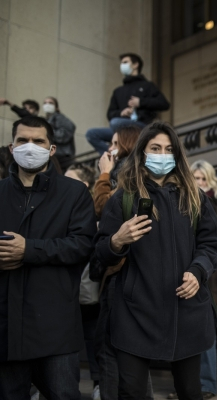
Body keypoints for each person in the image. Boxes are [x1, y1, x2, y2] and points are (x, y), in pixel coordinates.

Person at [94, 121, 217, 399]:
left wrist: (198, 270)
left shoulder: (195, 197)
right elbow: (99, 255)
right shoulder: (121, 199)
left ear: (177, 155)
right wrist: (117, 240)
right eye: (155, 148)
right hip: (134, 314)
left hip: (186, 311)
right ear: (142, 152)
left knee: (190, 391)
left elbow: (212, 244)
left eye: (168, 149)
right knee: (131, 391)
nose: (162, 154)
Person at [0, 116, 97, 399]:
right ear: (11, 146)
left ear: (52, 149)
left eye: (38, 141)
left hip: (55, 330)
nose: (30, 147)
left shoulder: (74, 193)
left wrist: (29, 249)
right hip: (5, 328)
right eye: (22, 140)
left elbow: (82, 245)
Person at [91, 123, 155, 400]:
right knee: (132, 356)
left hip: (122, 272)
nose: (110, 148)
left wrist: (104, 174)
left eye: (115, 143)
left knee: (110, 351)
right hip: (129, 272)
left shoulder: (129, 176)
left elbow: (103, 208)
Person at [187, 160, 217, 400]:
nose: (199, 183)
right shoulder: (180, 201)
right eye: (195, 178)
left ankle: (206, 385)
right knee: (185, 334)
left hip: (208, 277)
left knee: (206, 333)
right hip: (183, 274)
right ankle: (187, 385)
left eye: (203, 179)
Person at [65, 163, 102, 400]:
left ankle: (99, 383)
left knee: (94, 336)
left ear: (85, 184)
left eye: (71, 179)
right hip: (63, 287)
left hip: (89, 286)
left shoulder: (94, 209)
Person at [86, 53, 170, 155]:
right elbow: (110, 114)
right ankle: (113, 155)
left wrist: (141, 102)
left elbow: (164, 104)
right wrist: (122, 113)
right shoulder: (118, 91)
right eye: (121, 63)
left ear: (135, 65)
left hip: (141, 127)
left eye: (125, 62)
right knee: (92, 134)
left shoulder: (148, 86)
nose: (122, 65)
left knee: (115, 123)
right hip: (122, 128)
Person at [43, 96, 76, 171]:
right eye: (45, 103)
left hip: (62, 155)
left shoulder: (59, 117)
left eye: (50, 103)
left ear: (56, 107)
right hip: (54, 154)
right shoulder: (47, 119)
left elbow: (66, 133)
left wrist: (47, 132)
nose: (47, 105)